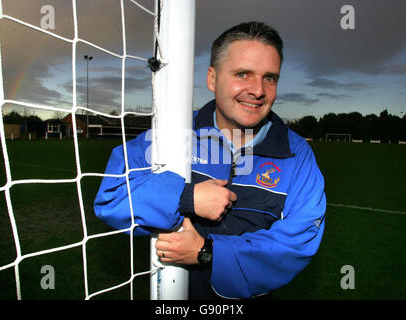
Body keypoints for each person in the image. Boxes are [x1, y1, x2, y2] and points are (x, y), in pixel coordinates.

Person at [94, 21, 326, 300]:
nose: (258, 90)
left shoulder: (297, 155)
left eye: (270, 78)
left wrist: (207, 253)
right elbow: (112, 194)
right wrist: (186, 197)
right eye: (243, 74)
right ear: (212, 79)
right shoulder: (172, 134)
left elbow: (297, 243)